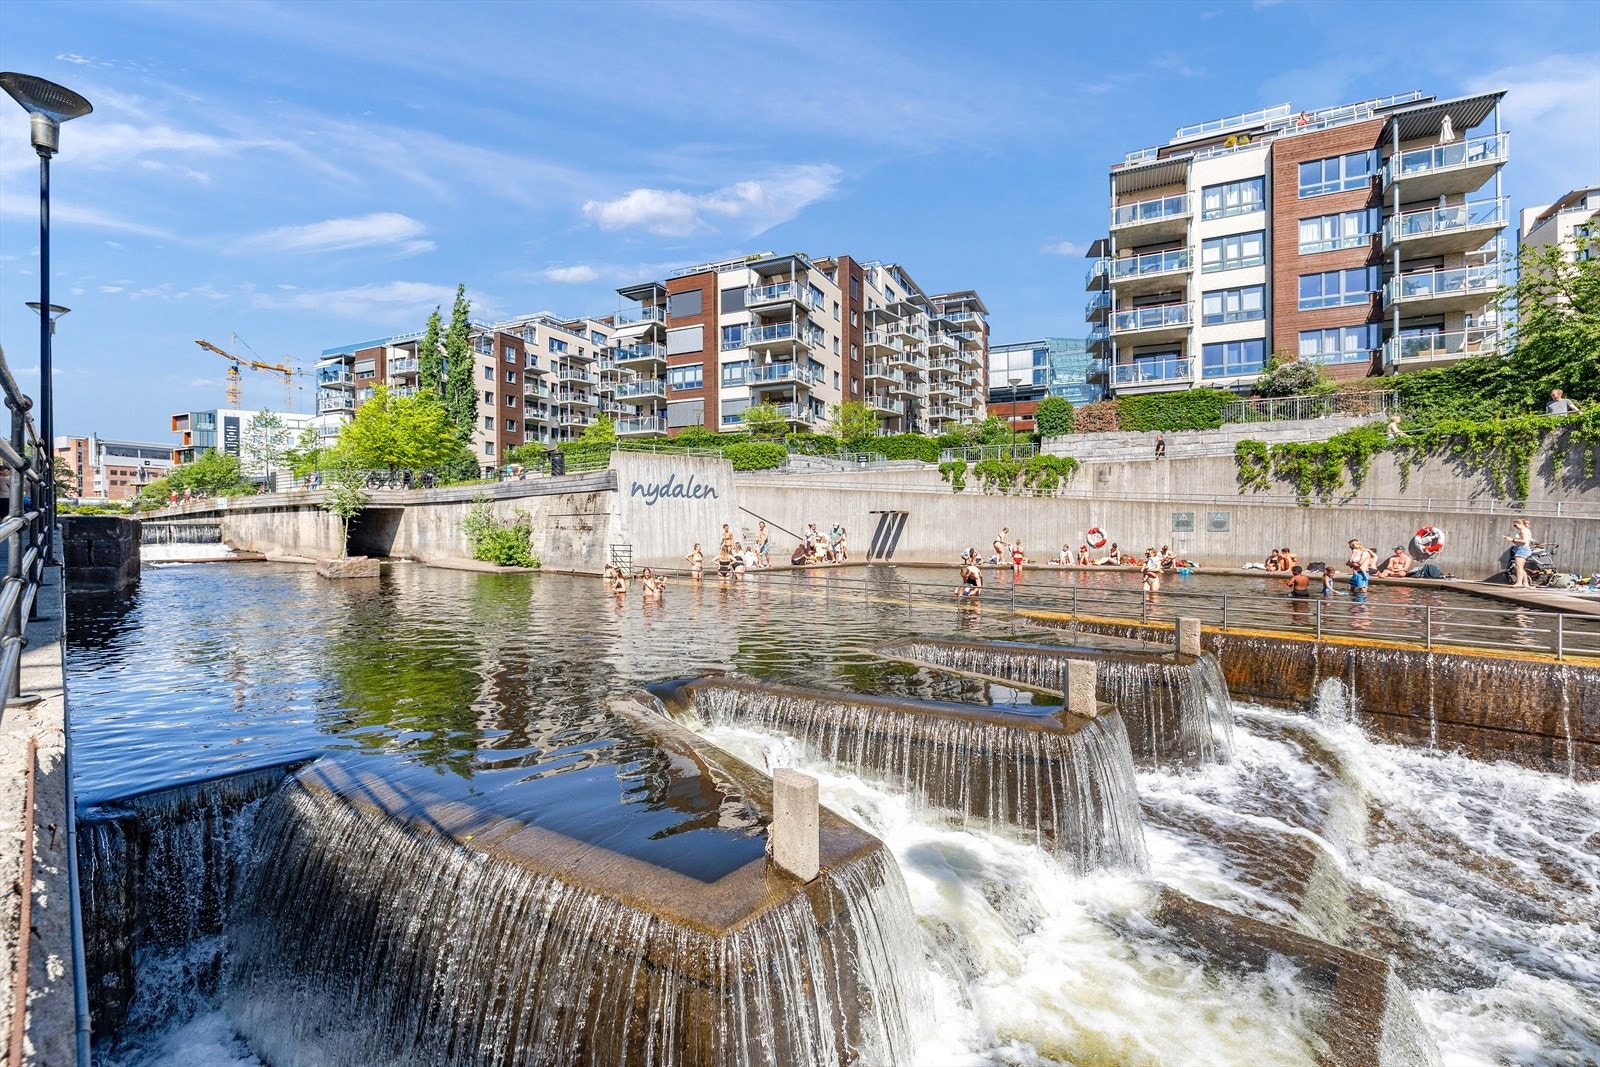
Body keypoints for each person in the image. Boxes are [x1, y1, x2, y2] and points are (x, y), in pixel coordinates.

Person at [1505, 519, 1534, 587]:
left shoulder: (1524, 531)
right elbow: (1520, 542)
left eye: (1515, 525)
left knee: (1518, 567)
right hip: (1521, 548)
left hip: (1522, 549)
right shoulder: (1524, 530)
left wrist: (1512, 539)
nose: (1515, 527)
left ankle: (1519, 583)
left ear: (1520, 523)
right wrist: (1511, 540)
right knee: (1521, 567)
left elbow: (1524, 541)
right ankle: (1525, 583)